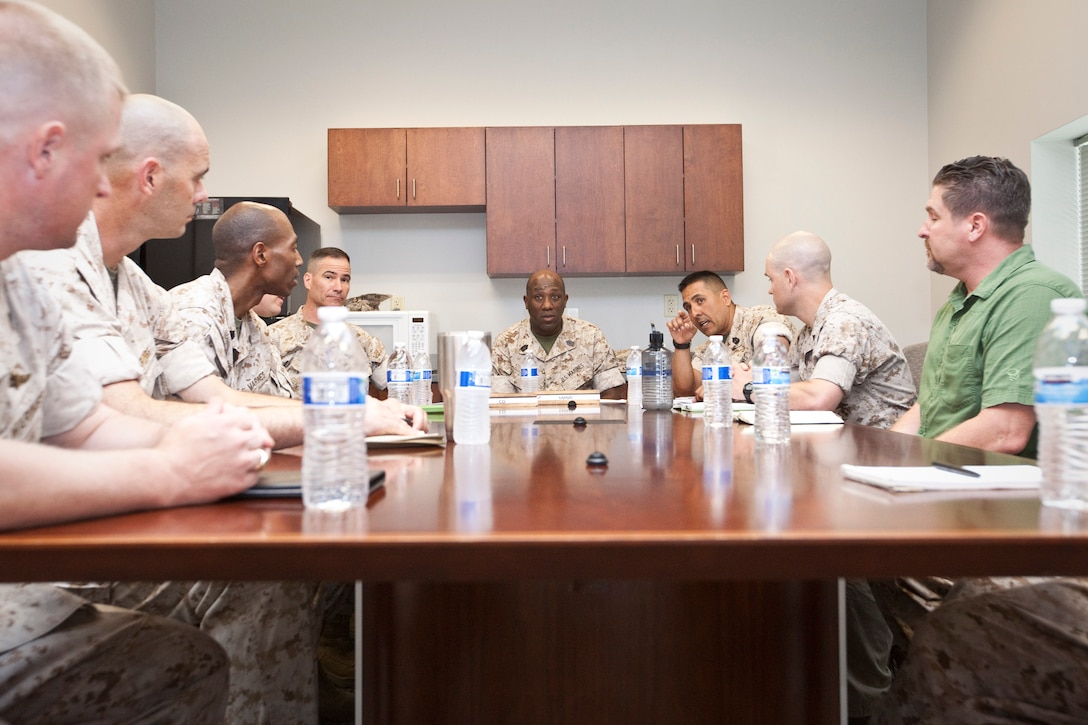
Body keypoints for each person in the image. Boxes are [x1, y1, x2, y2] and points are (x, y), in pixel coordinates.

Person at [0, 2, 270, 721]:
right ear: (44, 150)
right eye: (97, 162)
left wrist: (207, 440)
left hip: (25, 590)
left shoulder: (20, 271)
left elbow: (81, 425)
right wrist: (170, 469)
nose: (101, 189)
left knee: (188, 660)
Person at [23, 93, 426, 442]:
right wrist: (339, 419)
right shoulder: (51, 265)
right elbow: (117, 417)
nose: (203, 196)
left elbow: (217, 397)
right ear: (149, 177)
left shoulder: (140, 288)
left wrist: (352, 416)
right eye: (196, 178)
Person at [871, 157, 1087, 723]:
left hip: (1007, 514)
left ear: (975, 225)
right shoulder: (959, 303)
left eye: (932, 214)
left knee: (857, 557)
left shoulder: (1035, 296)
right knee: (841, 554)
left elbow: (1007, 429)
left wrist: (898, 475)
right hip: (950, 492)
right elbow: (927, 406)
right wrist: (872, 460)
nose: (922, 227)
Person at [733, 231, 916, 428]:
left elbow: (818, 399)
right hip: (842, 444)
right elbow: (790, 384)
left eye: (771, 279)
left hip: (884, 449)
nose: (770, 289)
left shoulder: (843, 322)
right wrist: (744, 376)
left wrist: (748, 388)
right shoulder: (807, 333)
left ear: (789, 278)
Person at [170, 201, 301, 397]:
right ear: (260, 254)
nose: (299, 260)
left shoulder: (255, 327)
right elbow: (210, 417)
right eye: (293, 248)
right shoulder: (194, 317)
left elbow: (281, 401)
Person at [268, 246, 388, 397]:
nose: (338, 287)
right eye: (329, 277)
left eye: (344, 280)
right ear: (308, 281)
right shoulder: (273, 338)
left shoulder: (361, 339)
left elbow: (398, 384)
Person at [491, 269, 624, 397]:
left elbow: (612, 394)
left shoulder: (591, 336)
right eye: (538, 297)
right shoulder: (505, 343)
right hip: (526, 420)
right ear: (526, 302)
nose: (547, 305)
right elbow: (501, 402)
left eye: (555, 297)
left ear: (565, 300)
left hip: (580, 420)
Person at [666, 270, 795, 399]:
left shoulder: (758, 318)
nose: (694, 313)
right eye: (688, 307)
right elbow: (684, 391)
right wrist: (681, 344)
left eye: (700, 301)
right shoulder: (709, 349)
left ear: (725, 298)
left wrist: (738, 383)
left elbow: (775, 351)